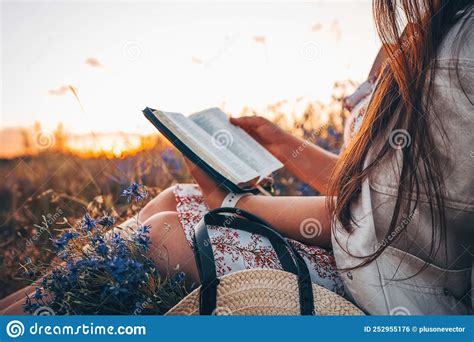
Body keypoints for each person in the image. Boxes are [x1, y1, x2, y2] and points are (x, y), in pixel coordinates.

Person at [2, 0, 472, 315]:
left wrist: (232, 202)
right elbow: (370, 185)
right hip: (372, 261)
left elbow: (367, 219)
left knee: (163, 235)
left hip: (395, 293)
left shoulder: (457, 52)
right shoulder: (436, 29)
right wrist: (277, 140)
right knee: (175, 198)